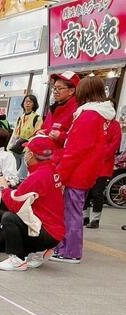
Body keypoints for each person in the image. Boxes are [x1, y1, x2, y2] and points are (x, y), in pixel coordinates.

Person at [54, 76, 117, 264]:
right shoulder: (100, 115)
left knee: (72, 211)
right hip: (86, 169)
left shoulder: (89, 115)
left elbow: (76, 148)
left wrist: (62, 172)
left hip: (77, 171)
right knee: (73, 209)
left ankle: (71, 251)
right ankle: (66, 248)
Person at [0, 135, 65, 271]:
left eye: (27, 151)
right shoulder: (51, 170)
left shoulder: (38, 176)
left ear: (31, 154)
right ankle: (39, 252)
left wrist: (4, 187)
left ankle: (18, 259)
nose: (25, 154)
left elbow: (15, 204)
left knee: (9, 217)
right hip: (53, 230)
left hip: (44, 231)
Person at [83, 102, 122, 229]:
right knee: (86, 192)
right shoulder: (96, 121)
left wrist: (100, 153)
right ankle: (84, 216)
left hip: (103, 165)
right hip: (90, 163)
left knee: (97, 192)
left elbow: (114, 144)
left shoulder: (115, 125)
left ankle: (95, 219)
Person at [40, 71, 80, 150]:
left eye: (60, 88)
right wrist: (40, 132)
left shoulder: (78, 110)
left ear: (71, 91)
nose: (55, 91)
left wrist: (61, 136)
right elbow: (44, 128)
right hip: (47, 156)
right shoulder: (53, 108)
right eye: (54, 88)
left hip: (63, 159)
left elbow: (79, 140)